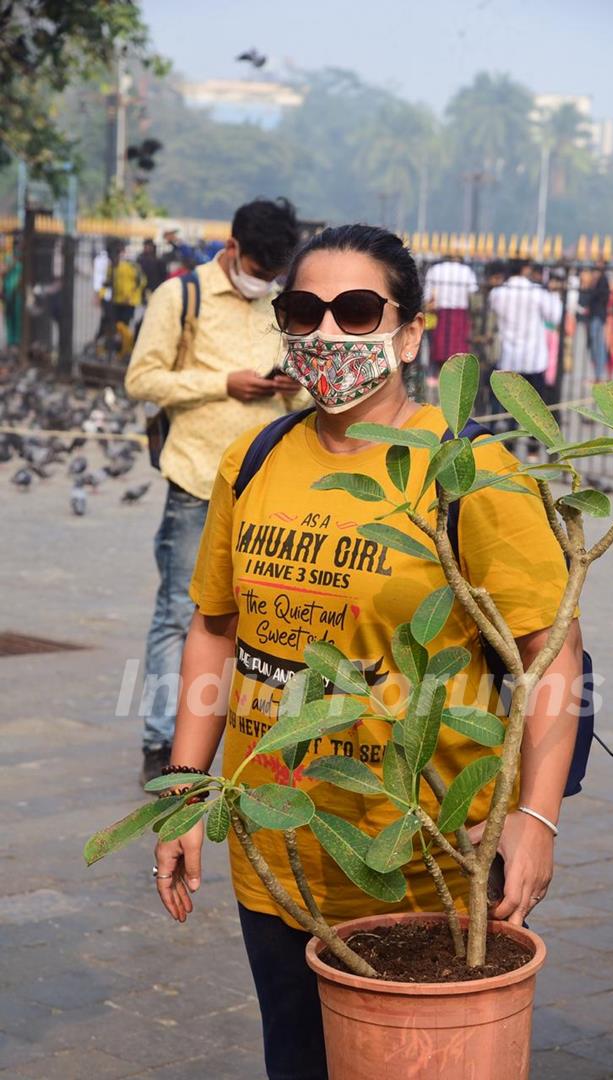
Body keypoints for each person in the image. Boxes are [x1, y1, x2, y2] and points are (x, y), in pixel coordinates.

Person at [152, 225, 584, 1080]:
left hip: (422, 857)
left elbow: (552, 655)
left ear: (412, 332)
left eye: (356, 312)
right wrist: (186, 794)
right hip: (276, 851)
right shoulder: (256, 457)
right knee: (297, 1061)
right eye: (303, 312)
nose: (328, 337)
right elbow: (213, 629)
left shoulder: (471, 472)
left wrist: (535, 819)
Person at [125, 197, 304, 784]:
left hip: (270, 484)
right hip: (198, 478)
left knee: (263, 621)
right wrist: (222, 383)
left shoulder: (284, 303)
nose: (264, 281)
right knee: (181, 614)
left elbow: (305, 398)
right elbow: (141, 380)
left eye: (274, 273)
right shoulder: (181, 296)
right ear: (231, 249)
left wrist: (290, 389)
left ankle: (251, 737)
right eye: (258, 268)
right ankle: (160, 739)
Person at [490, 257, 562, 454]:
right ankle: (533, 448)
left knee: (510, 406)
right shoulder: (536, 292)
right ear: (525, 269)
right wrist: (554, 294)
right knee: (535, 406)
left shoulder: (498, 293)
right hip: (533, 357)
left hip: (510, 356)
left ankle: (509, 448)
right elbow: (554, 317)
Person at [422, 254, 478, 378]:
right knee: (459, 351)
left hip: (440, 313)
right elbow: (473, 294)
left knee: (440, 349)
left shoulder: (435, 270)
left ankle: (438, 376)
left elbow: (427, 296)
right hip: (460, 314)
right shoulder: (466, 271)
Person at [585, 258, 610, 383]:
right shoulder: (598, 279)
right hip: (595, 315)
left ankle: (599, 376)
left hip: (598, 316)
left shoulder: (602, 280)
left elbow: (600, 297)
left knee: (598, 345)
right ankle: (597, 374)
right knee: (595, 345)